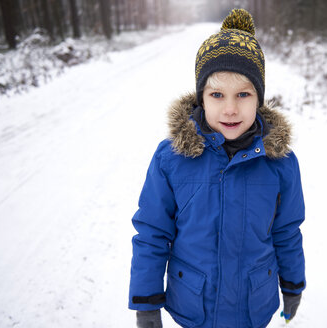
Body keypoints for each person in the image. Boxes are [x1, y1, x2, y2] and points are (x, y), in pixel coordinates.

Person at [129, 8, 306, 328]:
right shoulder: (172, 159)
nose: (230, 108)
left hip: (253, 306)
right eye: (217, 94)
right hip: (193, 306)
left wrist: (292, 285)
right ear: (201, 98)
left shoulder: (279, 163)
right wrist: (146, 301)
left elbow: (287, 231)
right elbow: (152, 232)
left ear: (259, 99)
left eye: (243, 94)